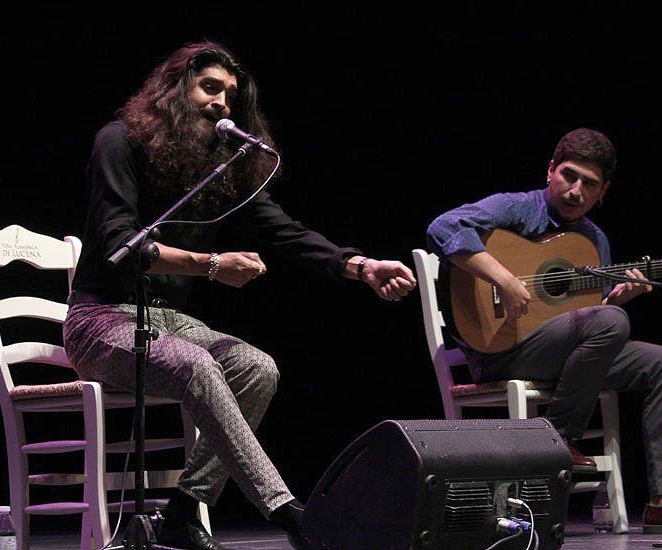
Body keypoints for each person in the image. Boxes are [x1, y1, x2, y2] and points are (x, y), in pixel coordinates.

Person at [63, 41, 416, 550]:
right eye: (210, 88)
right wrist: (210, 265)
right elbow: (124, 245)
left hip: (169, 322)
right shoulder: (118, 142)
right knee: (198, 366)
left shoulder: (220, 168)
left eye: (230, 95)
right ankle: (288, 510)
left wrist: (359, 266)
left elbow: (284, 231)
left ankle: (184, 510)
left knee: (258, 367)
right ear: (174, 90)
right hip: (99, 321)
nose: (222, 103)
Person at [426, 128, 662, 533]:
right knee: (611, 323)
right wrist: (505, 280)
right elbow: (443, 227)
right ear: (550, 171)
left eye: (589, 184)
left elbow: (588, 319)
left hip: (559, 354)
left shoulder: (594, 242)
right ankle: (558, 437)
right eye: (569, 176)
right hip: (499, 349)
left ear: (604, 192)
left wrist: (619, 300)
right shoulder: (517, 208)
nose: (576, 190)